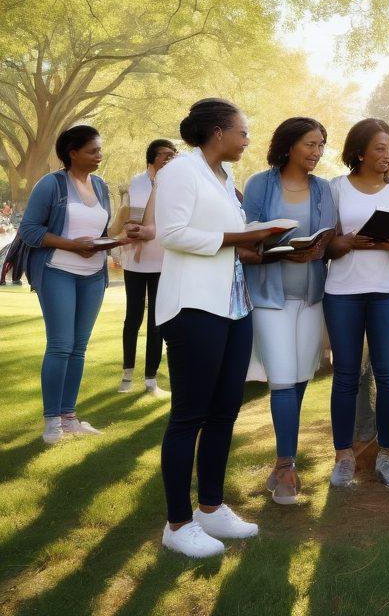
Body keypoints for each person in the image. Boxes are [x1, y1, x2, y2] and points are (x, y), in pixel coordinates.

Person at [145, 98, 281, 559]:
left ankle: (211, 507)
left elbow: (224, 244)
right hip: (193, 307)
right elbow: (172, 234)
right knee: (189, 416)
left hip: (234, 306)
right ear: (218, 132)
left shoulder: (226, 178)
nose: (247, 140)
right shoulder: (181, 171)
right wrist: (240, 238)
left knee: (225, 411)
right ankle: (178, 523)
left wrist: (262, 246)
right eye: (242, 132)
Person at [240, 118, 341, 504]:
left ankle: (285, 459)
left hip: (311, 296)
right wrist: (276, 245)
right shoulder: (259, 184)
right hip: (269, 296)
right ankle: (285, 469)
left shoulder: (323, 188)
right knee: (282, 378)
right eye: (310, 145)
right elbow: (247, 235)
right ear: (289, 145)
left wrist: (320, 247)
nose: (317, 153)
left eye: (321, 146)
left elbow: (328, 236)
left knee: (300, 378)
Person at [324, 118, 389, 491]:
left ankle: (386, 456)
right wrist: (351, 242)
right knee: (346, 376)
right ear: (359, 151)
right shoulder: (334, 189)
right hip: (343, 291)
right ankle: (344, 457)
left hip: (388, 291)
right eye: (381, 148)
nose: (388, 155)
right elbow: (327, 245)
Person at [19, 125, 122, 445]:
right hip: (57, 272)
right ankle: (52, 422)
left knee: (78, 347)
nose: (99, 156)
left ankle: (69, 416)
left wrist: (120, 237)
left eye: (100, 150)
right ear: (73, 152)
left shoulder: (101, 186)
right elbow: (29, 231)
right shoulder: (51, 185)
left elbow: (104, 229)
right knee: (61, 344)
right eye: (93, 151)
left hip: (93, 275)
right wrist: (70, 244)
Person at [115, 139, 177, 396]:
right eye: (165, 155)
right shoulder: (136, 182)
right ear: (152, 158)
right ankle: (127, 374)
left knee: (157, 321)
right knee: (134, 317)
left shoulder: (175, 184)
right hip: (136, 260)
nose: (170, 159)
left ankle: (151, 379)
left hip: (163, 260)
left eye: (173, 155)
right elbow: (125, 216)